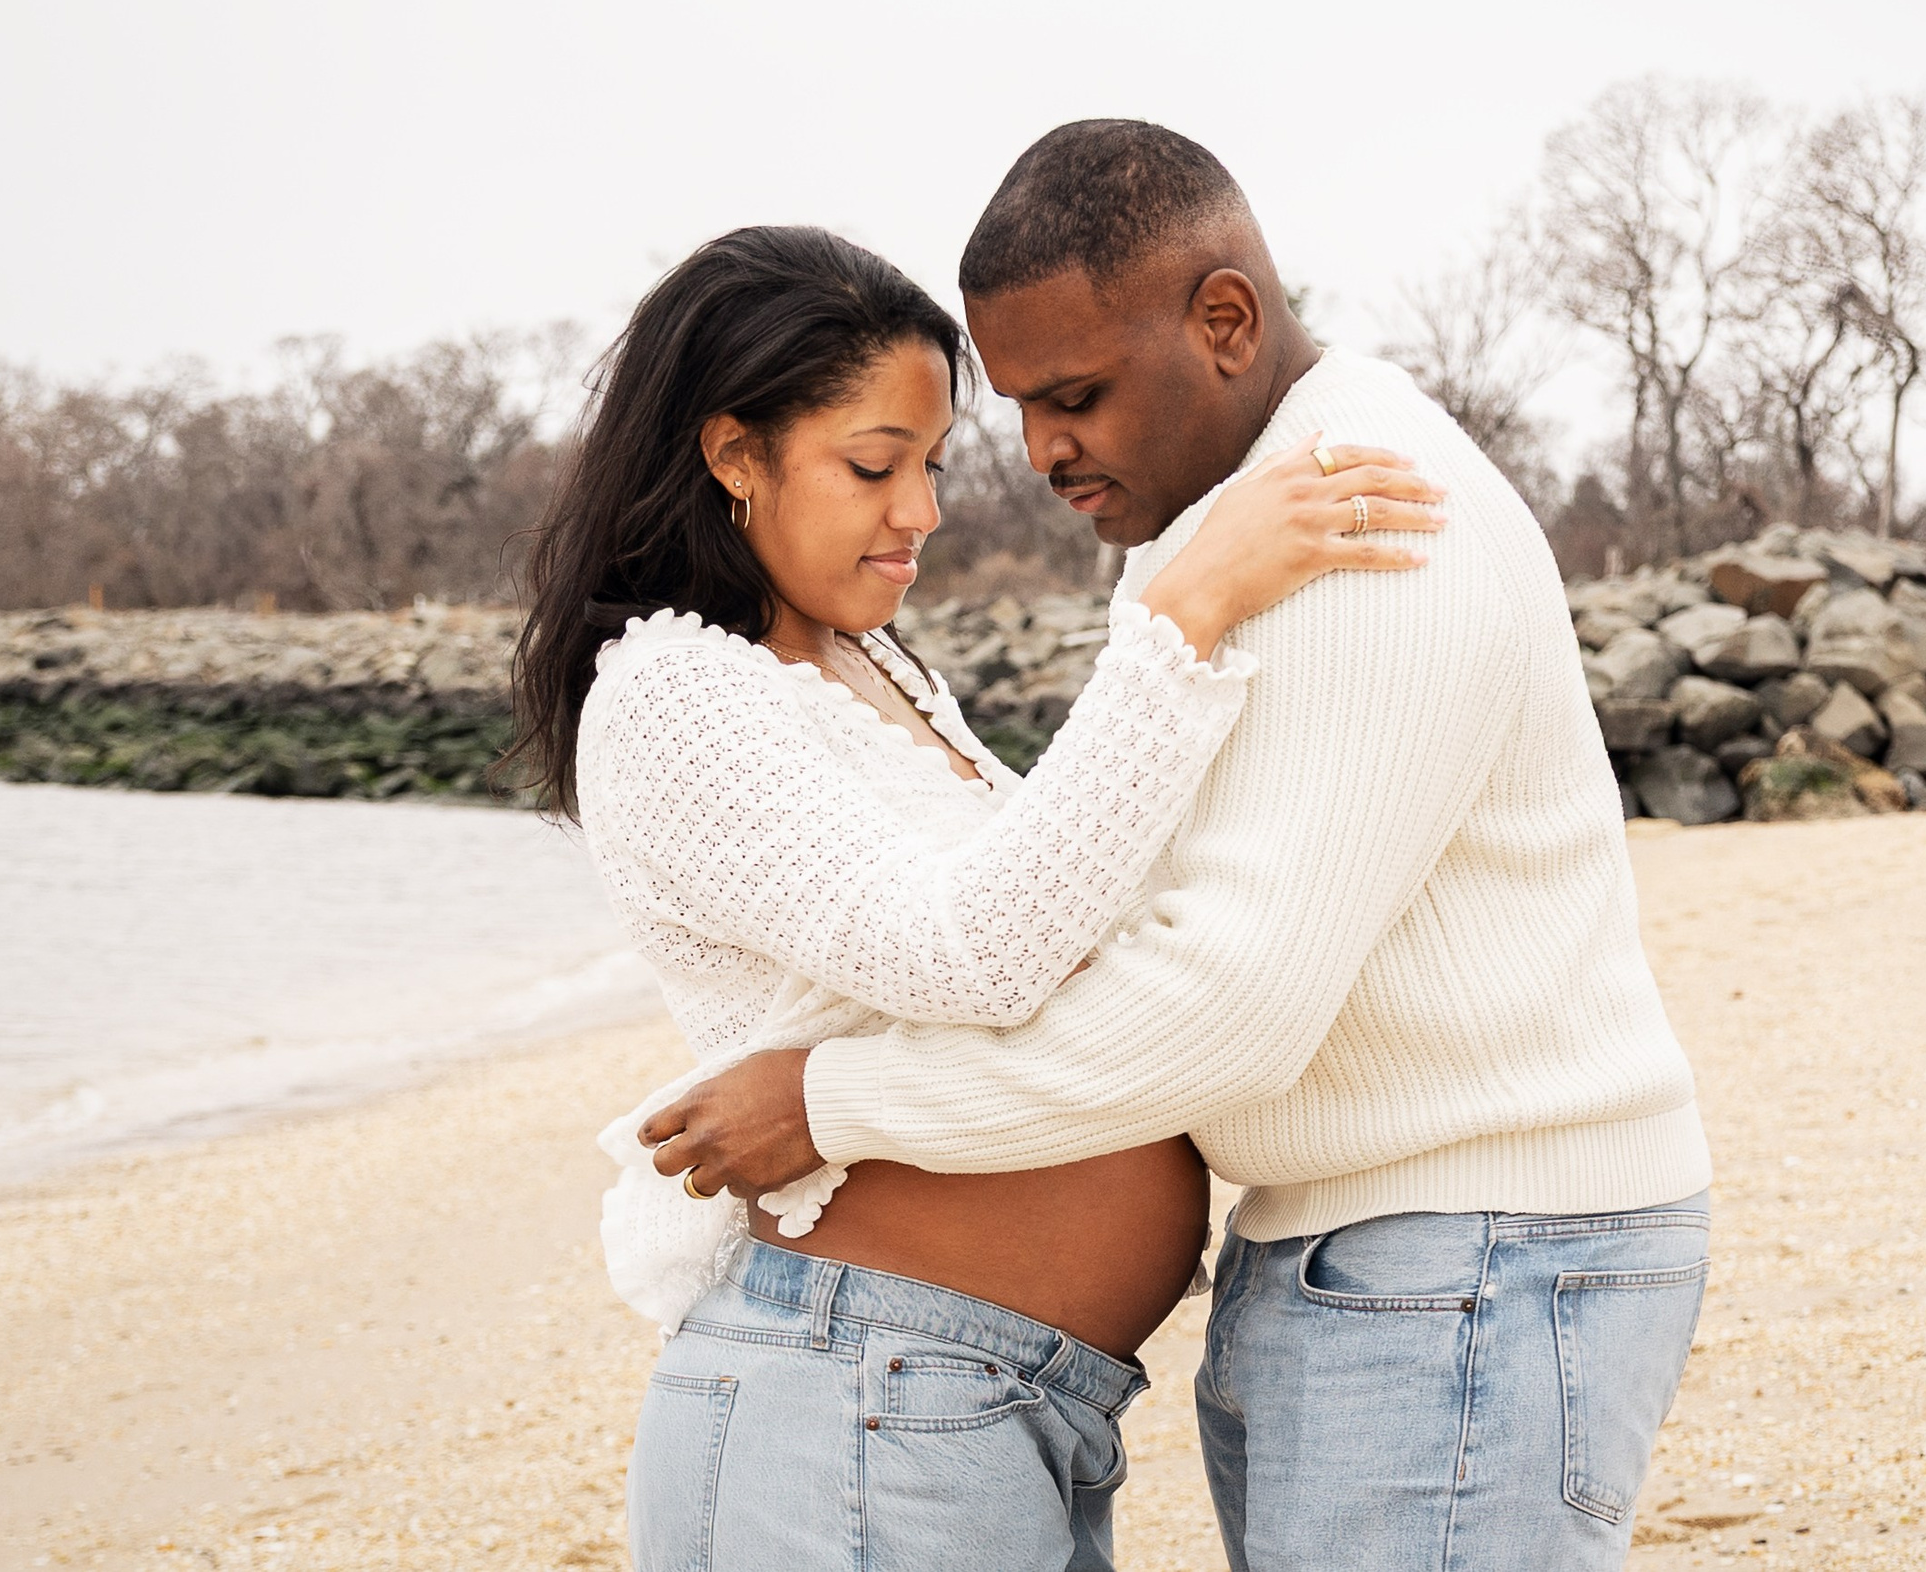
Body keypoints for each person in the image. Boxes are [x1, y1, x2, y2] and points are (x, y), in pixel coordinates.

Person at [646, 121, 1715, 1572]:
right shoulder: (1215, 534)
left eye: (1074, 395)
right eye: (1016, 408)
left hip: (1472, 1251)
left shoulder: (1364, 519)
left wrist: (837, 1100)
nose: (1040, 455)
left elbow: (1227, 1007)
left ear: (1225, 321)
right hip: (1366, 1252)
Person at [503, 221, 1445, 1572]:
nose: (921, 514)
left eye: (933, 465)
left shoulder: (873, 666)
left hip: (968, 1401)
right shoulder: (673, 695)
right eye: (874, 465)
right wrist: (1179, 610)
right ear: (732, 454)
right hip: (861, 1393)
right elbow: (971, 951)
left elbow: (1069, 907)